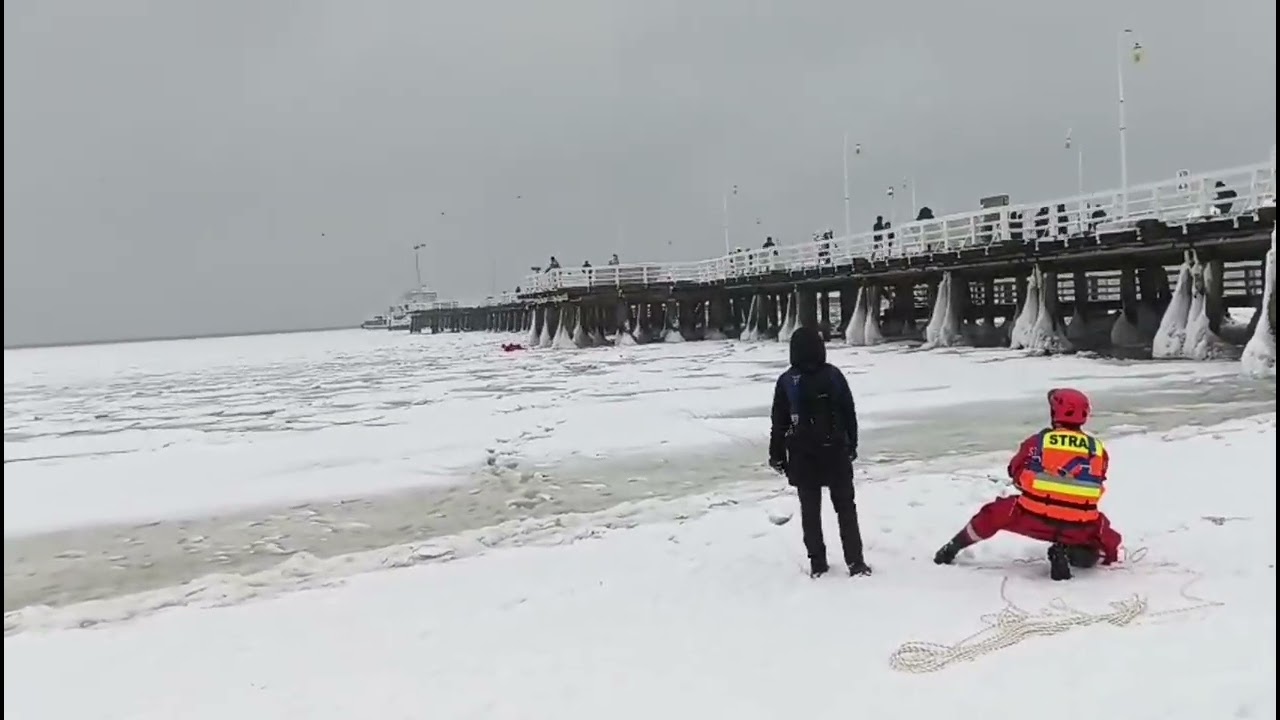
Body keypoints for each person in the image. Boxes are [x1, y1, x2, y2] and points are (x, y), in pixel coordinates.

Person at [933, 388, 1122, 581]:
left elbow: (1015, 470)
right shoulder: (1098, 449)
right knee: (1099, 538)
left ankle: (951, 549)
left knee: (993, 514)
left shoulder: (1039, 442)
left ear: (1055, 412)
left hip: (1033, 516)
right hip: (1080, 525)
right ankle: (1068, 551)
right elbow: (1098, 478)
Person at [769, 326, 871, 578]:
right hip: (835, 451)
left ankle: (818, 563)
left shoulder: (786, 381)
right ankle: (856, 562)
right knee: (846, 508)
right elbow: (849, 413)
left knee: (810, 512)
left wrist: (777, 455)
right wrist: (852, 445)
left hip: (803, 456)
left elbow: (779, 424)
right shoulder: (834, 376)